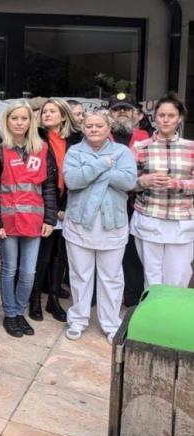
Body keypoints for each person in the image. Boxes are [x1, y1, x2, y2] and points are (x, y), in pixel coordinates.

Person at [62, 110, 137, 344]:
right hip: (79, 224)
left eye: (99, 126)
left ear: (108, 128)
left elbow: (128, 181)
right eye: (89, 126)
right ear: (83, 128)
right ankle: (78, 319)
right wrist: (102, 166)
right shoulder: (75, 151)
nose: (93, 129)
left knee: (111, 277)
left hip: (112, 224)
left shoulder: (121, 152)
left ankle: (111, 323)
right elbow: (72, 181)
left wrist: (92, 171)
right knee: (80, 275)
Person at [0, 100, 57, 338]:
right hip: (7, 222)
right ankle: (11, 314)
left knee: (28, 273)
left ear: (30, 121)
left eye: (23, 118)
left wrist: (50, 219)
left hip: (34, 222)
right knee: (9, 269)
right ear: (7, 121)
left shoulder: (42, 148)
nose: (19, 122)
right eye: (14, 118)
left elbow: (49, 188)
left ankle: (19, 311)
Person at [131, 94, 194, 288]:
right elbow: (127, 183)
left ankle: (171, 318)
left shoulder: (191, 148)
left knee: (178, 278)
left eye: (171, 115)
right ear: (155, 117)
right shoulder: (140, 147)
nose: (166, 120)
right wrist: (143, 181)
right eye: (161, 115)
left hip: (181, 220)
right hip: (149, 217)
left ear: (179, 118)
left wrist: (177, 184)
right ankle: (152, 317)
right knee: (152, 278)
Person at [28, 98, 82, 323]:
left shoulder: (76, 139)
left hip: (67, 203)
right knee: (43, 255)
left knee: (60, 256)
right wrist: (52, 207)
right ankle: (34, 301)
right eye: (44, 112)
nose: (47, 115)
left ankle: (53, 300)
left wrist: (64, 205)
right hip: (43, 204)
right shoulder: (36, 137)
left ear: (63, 115)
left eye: (52, 111)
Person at [108, 93, 149, 307]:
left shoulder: (149, 139)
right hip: (108, 203)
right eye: (116, 109)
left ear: (138, 115)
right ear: (109, 114)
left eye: (127, 108)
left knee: (133, 253)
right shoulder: (100, 136)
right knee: (106, 251)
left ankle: (132, 296)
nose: (121, 112)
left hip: (137, 204)